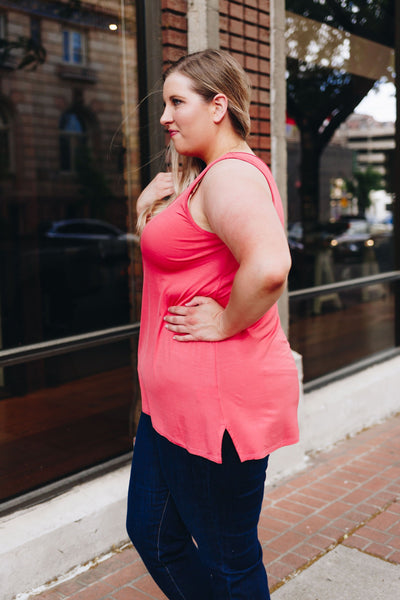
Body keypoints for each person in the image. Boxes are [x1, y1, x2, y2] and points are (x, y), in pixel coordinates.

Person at [126, 49, 299, 600]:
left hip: (213, 408)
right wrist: (145, 216)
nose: (164, 116)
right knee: (153, 535)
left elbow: (271, 265)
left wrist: (225, 320)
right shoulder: (204, 180)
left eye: (177, 102)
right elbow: (181, 267)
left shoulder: (230, 177)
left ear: (218, 105)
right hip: (170, 408)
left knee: (229, 560)